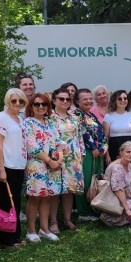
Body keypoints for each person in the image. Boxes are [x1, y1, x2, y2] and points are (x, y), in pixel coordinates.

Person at [23, 93, 66, 242]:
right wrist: (49, 161)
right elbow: (31, 145)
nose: (40, 107)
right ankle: (31, 230)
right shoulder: (28, 123)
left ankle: (44, 229)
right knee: (35, 197)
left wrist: (59, 158)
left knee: (47, 196)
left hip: (53, 165)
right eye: (37, 104)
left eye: (44, 104)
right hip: (37, 165)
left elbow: (59, 141)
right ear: (31, 107)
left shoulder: (51, 122)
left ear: (48, 106)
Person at [0, 88, 28, 248]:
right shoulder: (1, 118)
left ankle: (15, 236)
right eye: (14, 100)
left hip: (19, 165)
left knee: (16, 203)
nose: (17, 103)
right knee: (6, 203)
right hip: (7, 166)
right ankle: (6, 240)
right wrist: (1, 169)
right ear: (7, 101)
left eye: (21, 101)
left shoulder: (20, 119)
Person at [50, 87, 85, 232]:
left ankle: (67, 219)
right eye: (61, 99)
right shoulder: (49, 117)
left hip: (73, 159)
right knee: (55, 190)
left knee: (69, 190)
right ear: (54, 100)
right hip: (56, 158)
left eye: (67, 99)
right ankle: (53, 222)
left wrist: (81, 155)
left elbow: (79, 137)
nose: (65, 101)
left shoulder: (75, 117)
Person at [74, 88, 109, 221]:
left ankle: (94, 208)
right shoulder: (77, 114)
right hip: (86, 152)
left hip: (97, 153)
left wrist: (104, 147)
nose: (89, 101)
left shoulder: (91, 115)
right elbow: (83, 132)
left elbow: (101, 133)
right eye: (85, 99)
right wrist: (93, 148)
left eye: (90, 98)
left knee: (95, 180)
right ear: (77, 101)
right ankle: (84, 212)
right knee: (86, 180)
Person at [103, 89, 131, 163]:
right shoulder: (108, 116)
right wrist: (107, 155)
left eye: (125, 98)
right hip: (114, 148)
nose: (123, 100)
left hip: (130, 148)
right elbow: (105, 137)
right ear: (114, 100)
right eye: (120, 99)